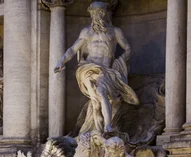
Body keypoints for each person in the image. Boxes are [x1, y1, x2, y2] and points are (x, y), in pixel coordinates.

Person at [54, 1, 139, 135]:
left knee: (98, 97)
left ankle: (103, 128)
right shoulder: (86, 32)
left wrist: (121, 60)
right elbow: (72, 49)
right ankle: (105, 127)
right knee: (97, 95)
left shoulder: (115, 32)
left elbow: (128, 49)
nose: (99, 15)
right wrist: (61, 61)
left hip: (106, 70)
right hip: (87, 68)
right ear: (91, 14)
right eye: (96, 12)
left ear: (106, 13)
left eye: (102, 11)